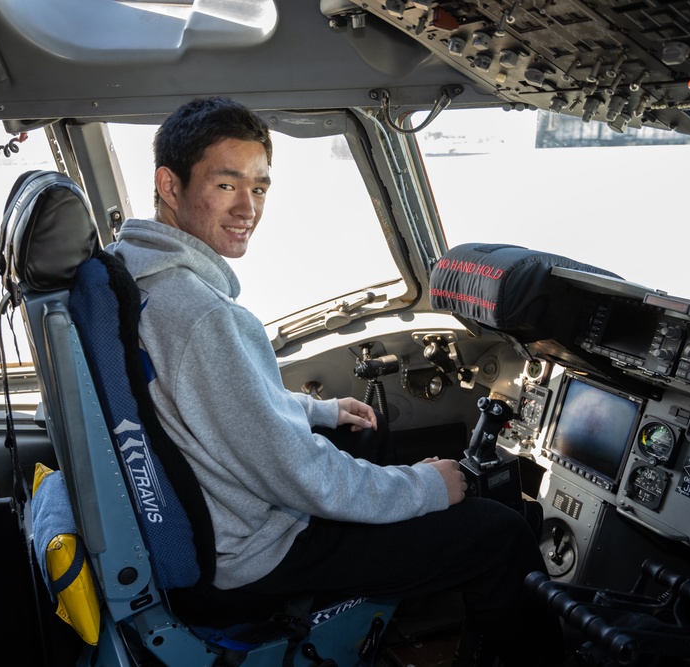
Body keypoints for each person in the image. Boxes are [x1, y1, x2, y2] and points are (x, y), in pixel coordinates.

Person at [107, 96, 563, 665]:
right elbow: (299, 478)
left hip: (204, 529)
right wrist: (427, 488)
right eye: (226, 185)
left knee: (361, 435)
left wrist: (316, 412)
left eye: (261, 187)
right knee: (498, 534)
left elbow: (198, 403)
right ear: (169, 186)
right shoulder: (202, 315)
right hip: (248, 555)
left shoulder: (129, 276)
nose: (248, 206)